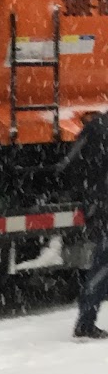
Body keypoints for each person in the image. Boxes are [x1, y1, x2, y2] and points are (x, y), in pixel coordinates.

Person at [65, 110, 108, 338]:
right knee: (103, 264)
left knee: (102, 265)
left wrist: (88, 195)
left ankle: (86, 319)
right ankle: (85, 322)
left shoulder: (94, 127)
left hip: (97, 205)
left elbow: (71, 163)